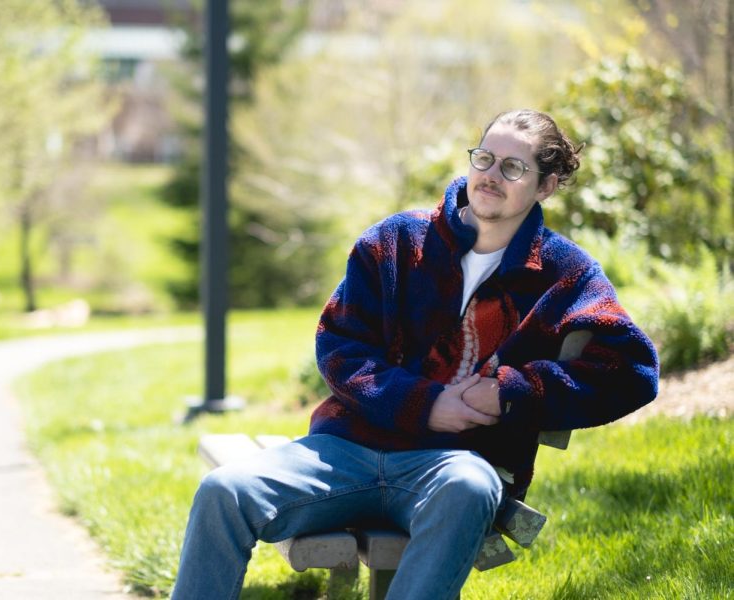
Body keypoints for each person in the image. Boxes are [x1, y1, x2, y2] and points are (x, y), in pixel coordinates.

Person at [171, 109, 659, 600]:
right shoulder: (396, 241)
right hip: (348, 449)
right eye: (485, 158)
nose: (491, 176)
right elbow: (340, 346)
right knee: (224, 491)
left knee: (470, 487)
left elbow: (633, 371)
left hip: (456, 465)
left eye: (513, 168)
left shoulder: (564, 273)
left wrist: (511, 392)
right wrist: (424, 404)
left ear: (547, 185)